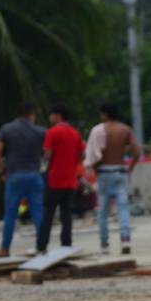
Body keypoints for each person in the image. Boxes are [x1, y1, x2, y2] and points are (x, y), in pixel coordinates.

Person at [0, 103, 46, 257]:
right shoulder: (40, 131)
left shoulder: (7, 129)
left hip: (14, 176)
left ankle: (5, 248)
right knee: (38, 212)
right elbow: (49, 151)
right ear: (32, 114)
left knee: (10, 214)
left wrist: (2, 172)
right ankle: (42, 246)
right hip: (35, 175)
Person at [84, 102, 139, 255]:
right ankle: (125, 239)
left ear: (105, 114)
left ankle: (104, 244)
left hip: (104, 173)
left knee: (103, 210)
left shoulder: (99, 130)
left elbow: (94, 156)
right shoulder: (125, 129)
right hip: (121, 171)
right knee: (123, 208)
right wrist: (129, 169)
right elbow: (137, 152)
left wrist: (95, 170)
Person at [37, 104, 85, 253]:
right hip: (70, 181)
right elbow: (82, 154)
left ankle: (42, 246)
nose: (50, 118)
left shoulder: (52, 132)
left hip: (54, 179)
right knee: (66, 215)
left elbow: (47, 154)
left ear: (57, 116)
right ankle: (66, 245)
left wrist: (43, 168)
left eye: (51, 115)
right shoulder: (75, 134)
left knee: (48, 214)